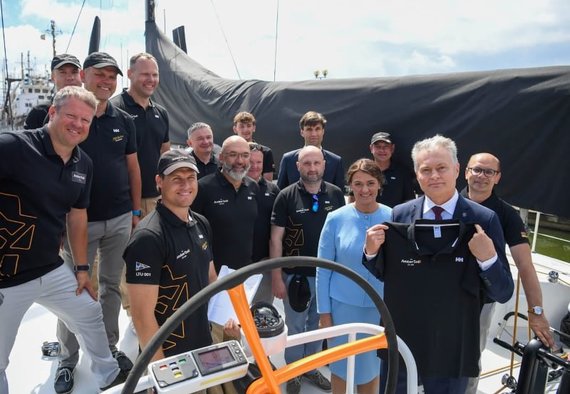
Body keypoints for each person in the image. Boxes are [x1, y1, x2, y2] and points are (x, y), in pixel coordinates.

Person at [0, 86, 128, 393]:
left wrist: (82, 269)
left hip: (49, 266)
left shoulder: (83, 164)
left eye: (86, 120)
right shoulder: (13, 147)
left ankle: (109, 374)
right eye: (71, 115)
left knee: (88, 310)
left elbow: (77, 215)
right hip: (6, 278)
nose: (78, 124)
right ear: (53, 113)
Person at [363, 135, 514, 394]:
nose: (434, 176)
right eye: (426, 170)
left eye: (441, 168)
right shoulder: (400, 214)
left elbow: (503, 292)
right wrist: (370, 252)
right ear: (417, 175)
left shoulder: (484, 220)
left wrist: (488, 259)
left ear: (457, 169)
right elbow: (385, 271)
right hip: (404, 338)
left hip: (453, 345)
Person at [55, 52, 141, 393]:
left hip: (119, 217)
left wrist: (135, 213)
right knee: (71, 292)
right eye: (99, 75)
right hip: (78, 221)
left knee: (110, 288)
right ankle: (67, 358)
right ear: (84, 77)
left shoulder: (124, 120)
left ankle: (108, 346)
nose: (106, 81)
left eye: (112, 76)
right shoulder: (75, 118)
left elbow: (133, 167)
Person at [124, 149, 239, 360]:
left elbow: (211, 279)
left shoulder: (201, 223)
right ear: (159, 181)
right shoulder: (148, 238)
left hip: (204, 340)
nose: (186, 185)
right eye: (176, 179)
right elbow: (142, 317)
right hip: (171, 352)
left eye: (191, 178)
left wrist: (228, 318)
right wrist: (159, 371)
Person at [462, 152, 555, 394]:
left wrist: (536, 312)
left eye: (489, 172)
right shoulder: (447, 204)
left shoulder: (506, 215)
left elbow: (525, 264)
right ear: (466, 172)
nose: (481, 176)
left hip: (480, 300)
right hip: (441, 296)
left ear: (498, 177)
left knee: (469, 359)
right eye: (477, 169)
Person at [270, 145, 345, 394]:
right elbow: (276, 239)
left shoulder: (335, 195)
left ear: (324, 164)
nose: (312, 169)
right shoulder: (286, 196)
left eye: (316, 163)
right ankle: (293, 371)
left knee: (318, 324)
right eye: (306, 164)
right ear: (297, 166)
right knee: (295, 325)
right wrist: (277, 277)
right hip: (296, 276)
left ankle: (311, 368)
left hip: (327, 276)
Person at [317, 158, 392, 394]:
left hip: (378, 309)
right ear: (350, 186)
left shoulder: (394, 217)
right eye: (358, 184)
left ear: (379, 184)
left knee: (371, 368)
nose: (364, 190)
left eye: (370, 183)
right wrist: (324, 314)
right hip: (341, 309)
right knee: (341, 367)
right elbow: (323, 268)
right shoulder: (335, 218)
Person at [111, 52, 170, 216]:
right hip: (124, 203)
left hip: (158, 198)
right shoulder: (115, 109)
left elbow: (165, 153)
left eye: (155, 75)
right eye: (145, 74)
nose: (151, 79)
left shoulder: (162, 113)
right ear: (130, 74)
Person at [192, 135, 259, 272]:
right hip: (211, 275)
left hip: (245, 272)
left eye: (245, 155)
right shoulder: (203, 188)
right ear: (221, 158)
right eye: (233, 155)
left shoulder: (253, 187)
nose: (240, 161)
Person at [277, 111, 345, 192]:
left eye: (317, 129)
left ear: (323, 131)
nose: (313, 134)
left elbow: (339, 195)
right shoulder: (288, 159)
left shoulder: (335, 161)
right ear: (302, 132)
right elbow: (280, 192)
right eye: (309, 129)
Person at [247, 142, 280, 304]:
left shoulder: (274, 191)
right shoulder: (234, 188)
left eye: (258, 162)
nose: (254, 166)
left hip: (264, 263)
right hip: (236, 265)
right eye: (250, 162)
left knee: (262, 313)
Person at [23, 53, 83, 130]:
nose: (70, 77)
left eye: (74, 72)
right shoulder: (39, 114)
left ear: (81, 76)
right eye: (63, 72)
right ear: (52, 77)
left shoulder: (95, 112)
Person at [368, 131, 416, 207]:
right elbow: (354, 198)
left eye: (386, 146)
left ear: (392, 148)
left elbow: (409, 200)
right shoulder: (364, 171)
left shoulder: (403, 172)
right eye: (378, 147)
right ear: (371, 148)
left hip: (395, 217)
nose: (382, 150)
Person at [233, 111, 275, 180]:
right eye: (242, 126)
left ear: (254, 128)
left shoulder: (266, 152)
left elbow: (268, 184)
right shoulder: (229, 152)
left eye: (249, 126)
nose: (246, 129)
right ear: (235, 129)